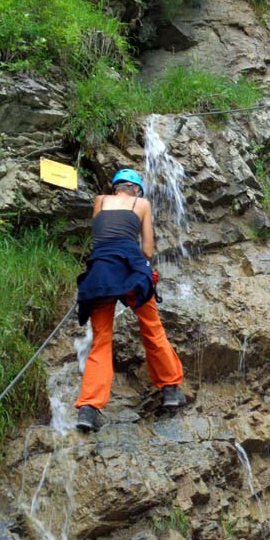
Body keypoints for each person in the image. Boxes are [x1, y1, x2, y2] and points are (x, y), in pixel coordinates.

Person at [74, 168, 185, 432]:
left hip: (100, 272)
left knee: (100, 341)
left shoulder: (100, 201)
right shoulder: (142, 203)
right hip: (132, 268)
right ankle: (170, 390)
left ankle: (88, 410)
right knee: (152, 329)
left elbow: (100, 237)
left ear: (115, 188)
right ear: (136, 189)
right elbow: (147, 250)